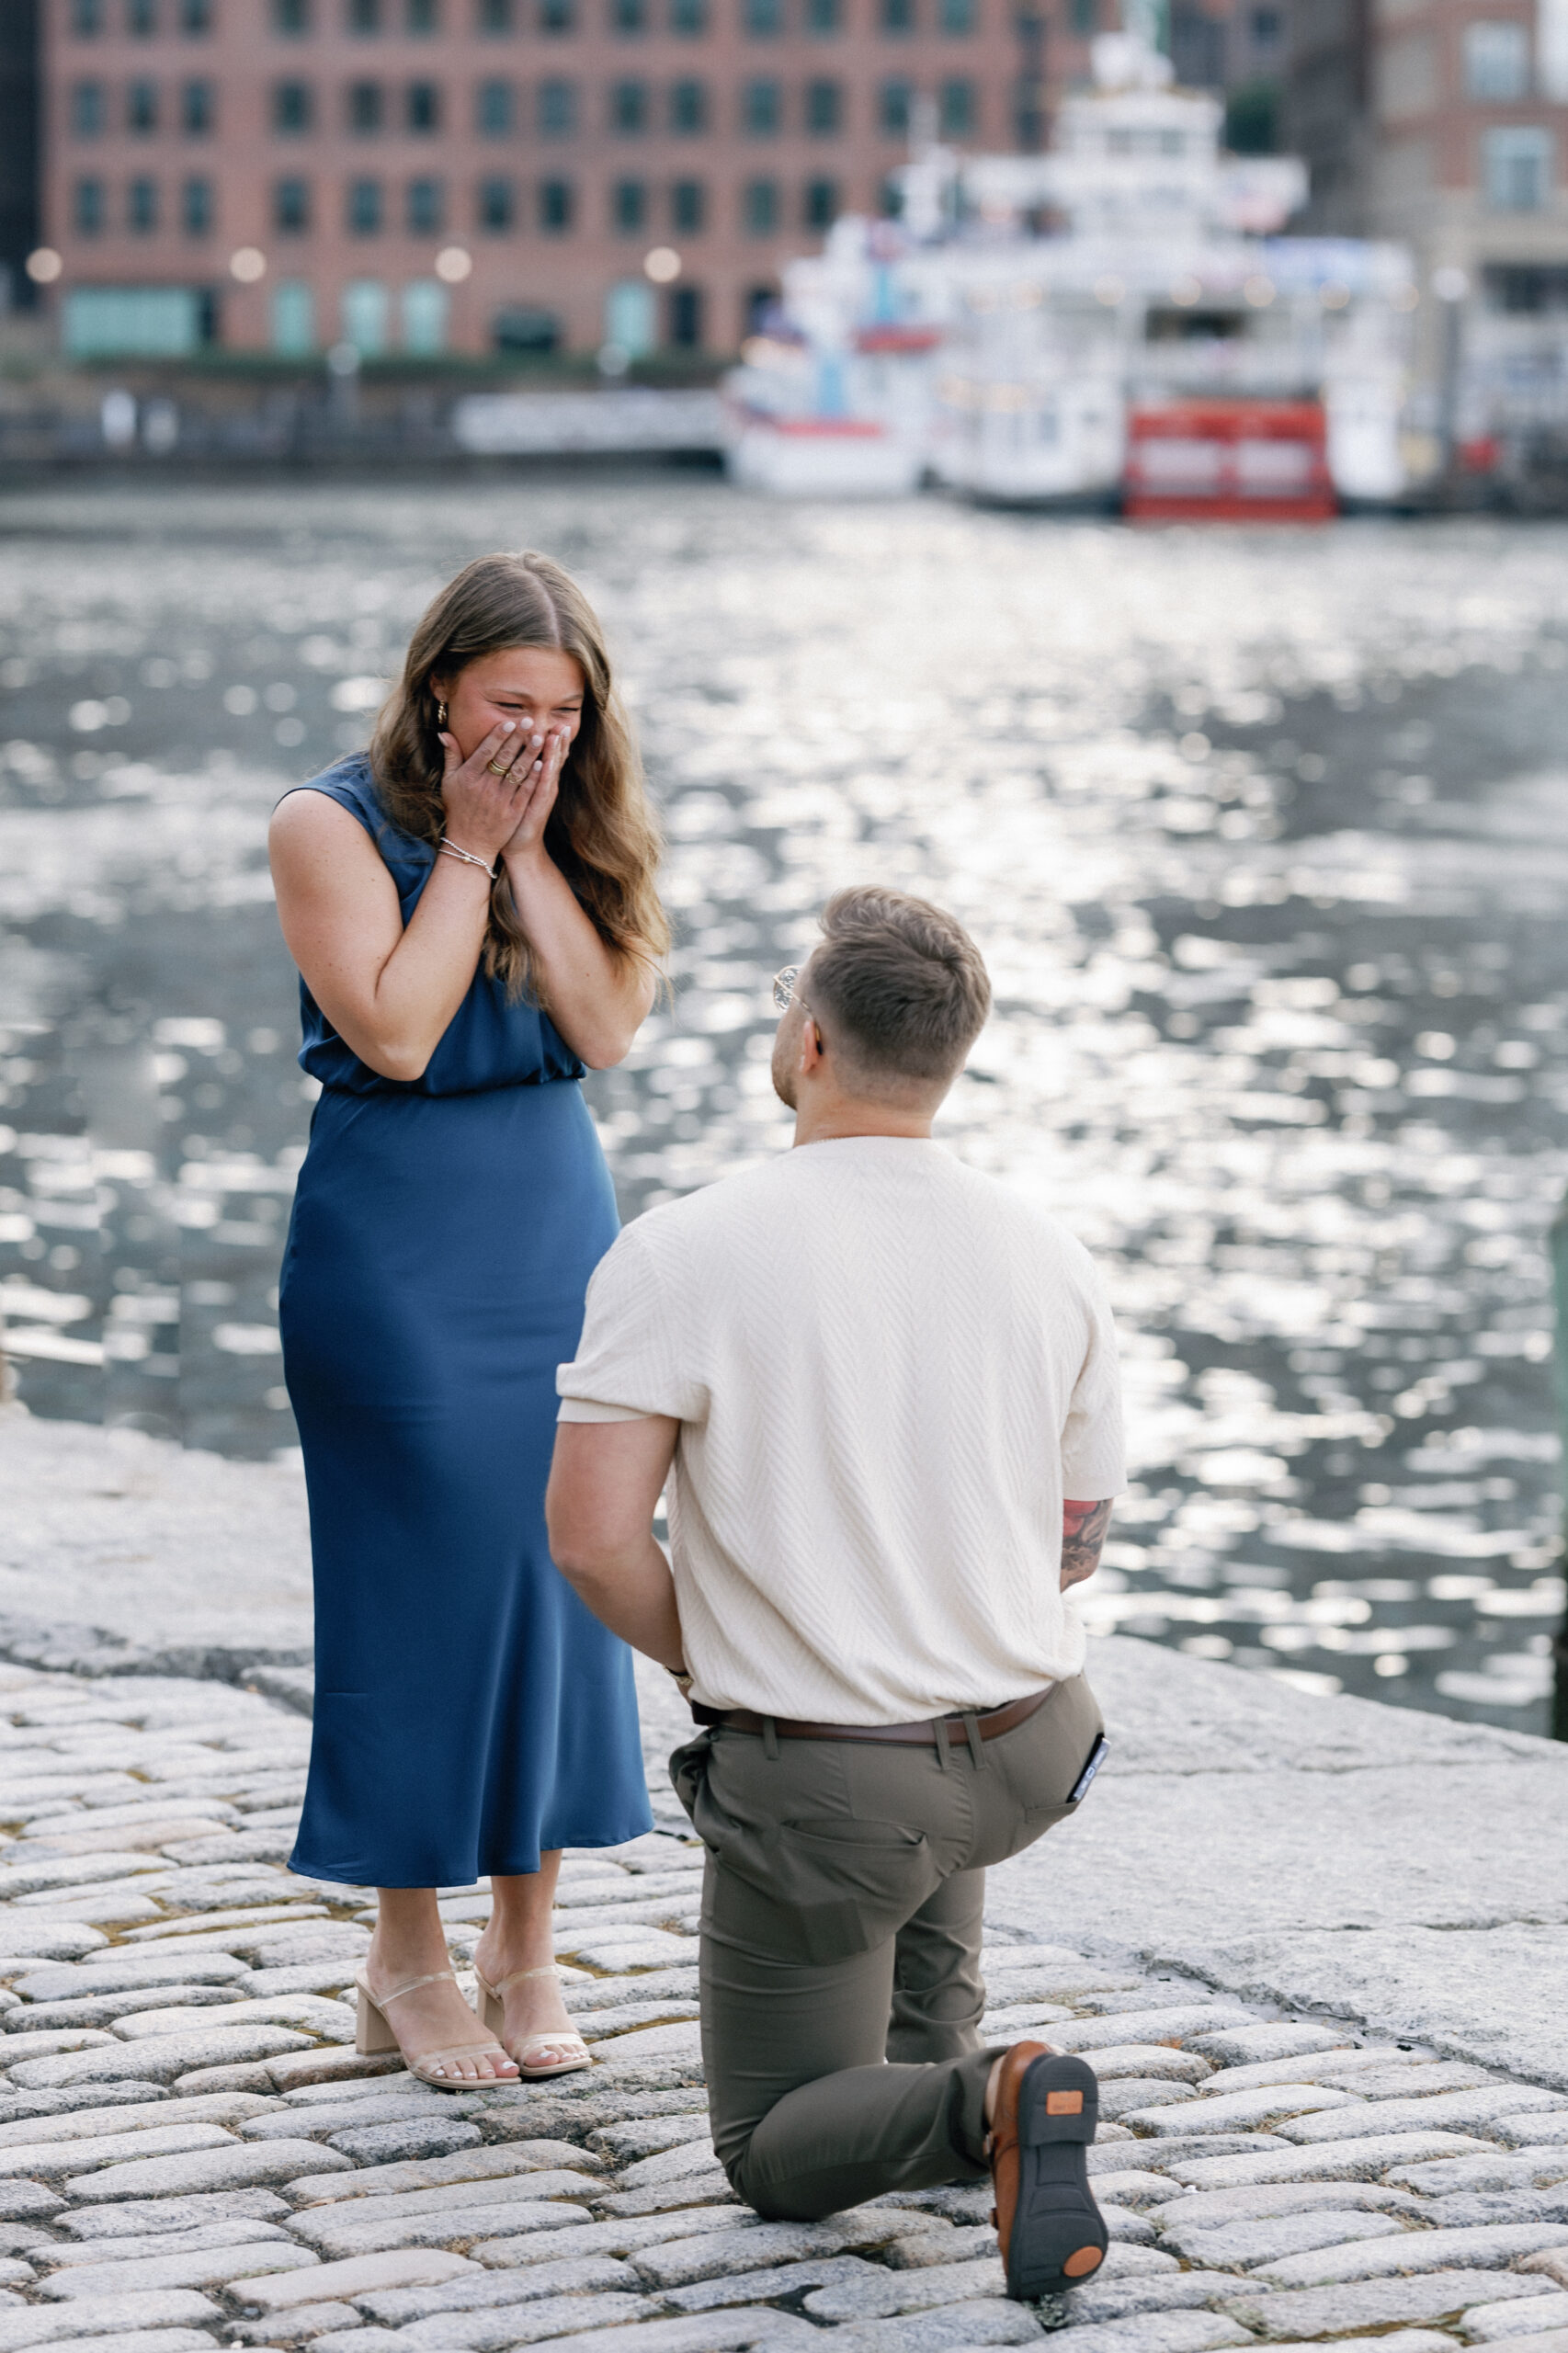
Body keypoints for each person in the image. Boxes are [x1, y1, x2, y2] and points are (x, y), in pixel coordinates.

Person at [545, 884, 1124, 2299]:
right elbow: (1074, 1539)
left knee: (768, 2147)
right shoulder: (1048, 1254)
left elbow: (591, 1538)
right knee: (917, 1887)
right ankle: (959, 2089)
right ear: (952, 1051)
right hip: (1021, 1742)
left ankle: (992, 2100)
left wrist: (730, 1661)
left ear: (806, 1041)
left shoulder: (681, 1252)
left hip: (834, 1783)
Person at [270, 551, 668, 2089]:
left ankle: (526, 1951)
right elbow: (397, 1022)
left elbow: (608, 1029)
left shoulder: (569, 822)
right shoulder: (324, 822)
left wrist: (532, 843)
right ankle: (405, 1957)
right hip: (397, 1251)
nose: (537, 736)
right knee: (421, 1588)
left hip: (554, 1234)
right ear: (439, 688)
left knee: (559, 1574)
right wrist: (467, 849)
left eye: (564, 714)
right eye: (511, 703)